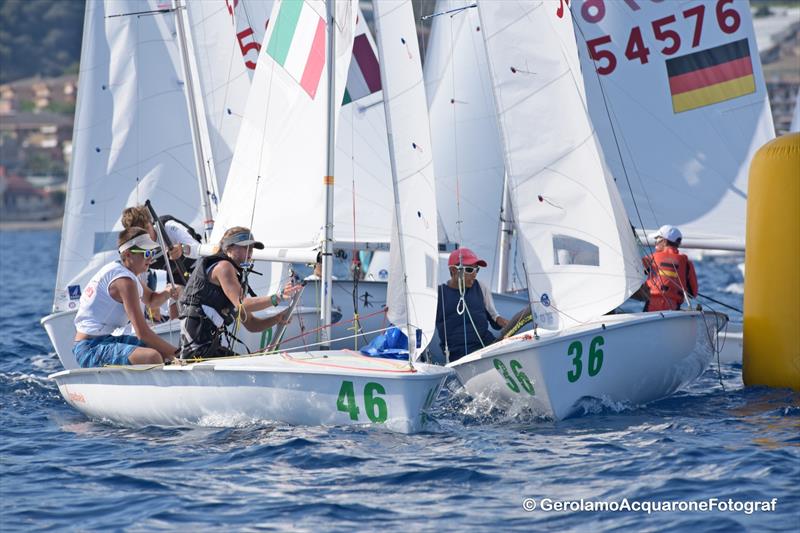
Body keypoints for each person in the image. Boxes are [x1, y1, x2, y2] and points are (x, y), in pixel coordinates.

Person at [179, 226, 301, 359]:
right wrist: (277, 298)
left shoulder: (234, 279)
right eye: (245, 247)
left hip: (206, 350)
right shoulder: (223, 267)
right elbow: (243, 304)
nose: (250, 252)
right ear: (228, 248)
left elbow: (252, 324)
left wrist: (277, 319)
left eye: (252, 248)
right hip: (198, 353)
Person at [73, 227, 180, 367]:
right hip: (90, 348)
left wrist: (169, 292)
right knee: (152, 356)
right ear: (128, 254)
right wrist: (179, 354)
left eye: (152, 252)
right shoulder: (125, 282)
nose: (150, 258)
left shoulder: (127, 273)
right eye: (146, 253)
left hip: (105, 340)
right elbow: (143, 333)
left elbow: (152, 300)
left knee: (158, 351)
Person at [435, 248, 509, 362]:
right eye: (469, 269)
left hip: (488, 347)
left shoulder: (480, 287)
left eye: (476, 270)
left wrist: (508, 324)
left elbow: (494, 317)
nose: (474, 274)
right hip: (460, 357)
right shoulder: (438, 295)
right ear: (454, 270)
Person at [121, 205, 202, 285]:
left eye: (147, 229)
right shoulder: (134, 251)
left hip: (198, 268)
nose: (146, 236)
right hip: (177, 279)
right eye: (140, 235)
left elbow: (198, 249)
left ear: (151, 222)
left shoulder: (168, 227)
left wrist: (183, 249)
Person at [642, 225, 698, 312]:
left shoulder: (651, 258)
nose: (655, 242)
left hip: (651, 307)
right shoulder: (687, 262)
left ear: (664, 241)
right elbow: (692, 293)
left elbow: (633, 274)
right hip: (673, 308)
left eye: (657, 239)